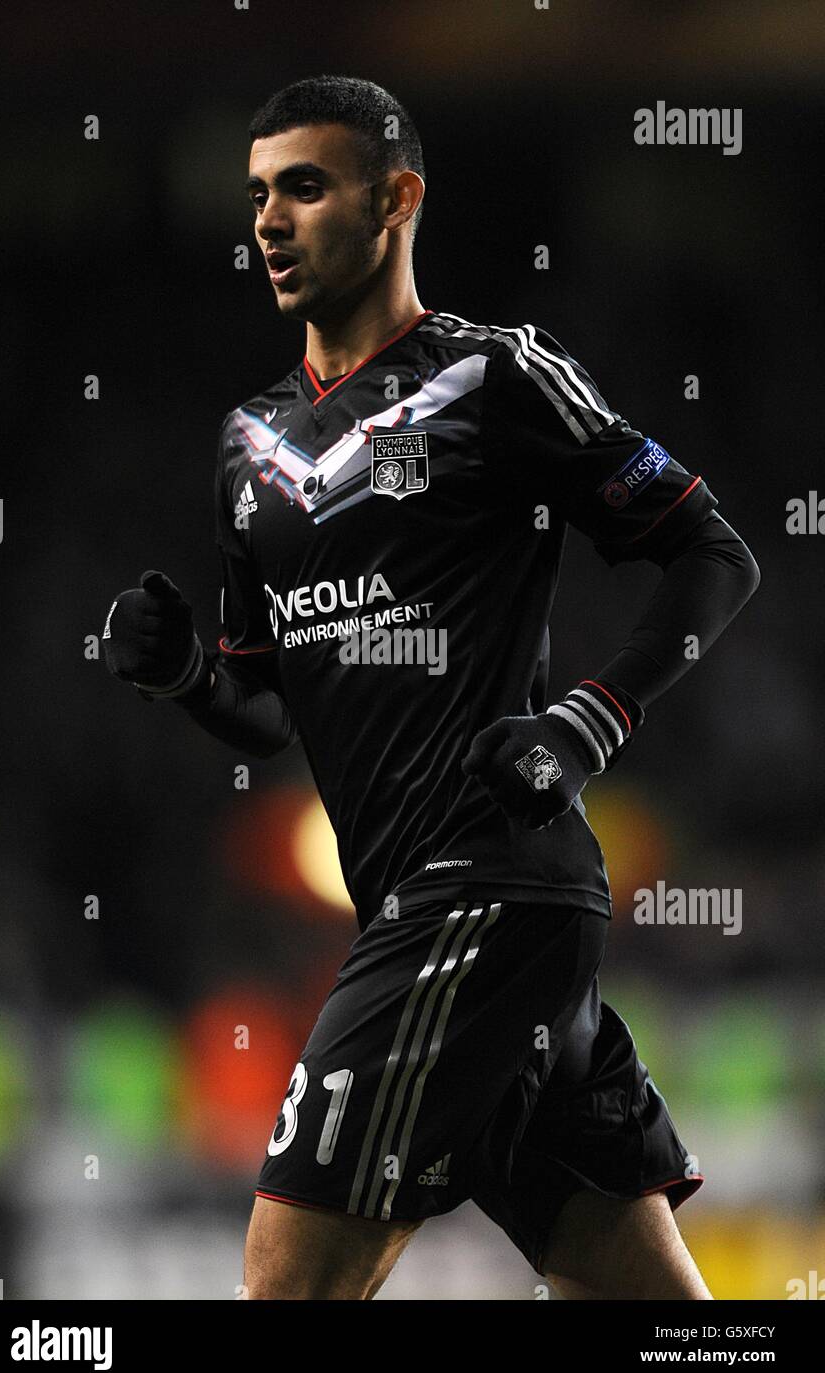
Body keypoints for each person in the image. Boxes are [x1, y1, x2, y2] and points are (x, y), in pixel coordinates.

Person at [103, 75, 759, 1300]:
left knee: (287, 1280)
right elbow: (266, 706)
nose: (269, 222)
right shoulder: (247, 445)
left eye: (305, 186)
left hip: (485, 892)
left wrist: (585, 723)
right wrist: (186, 671)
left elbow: (713, 551)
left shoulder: (497, 377)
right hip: (424, 907)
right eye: (256, 195)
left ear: (397, 199)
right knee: (647, 1305)